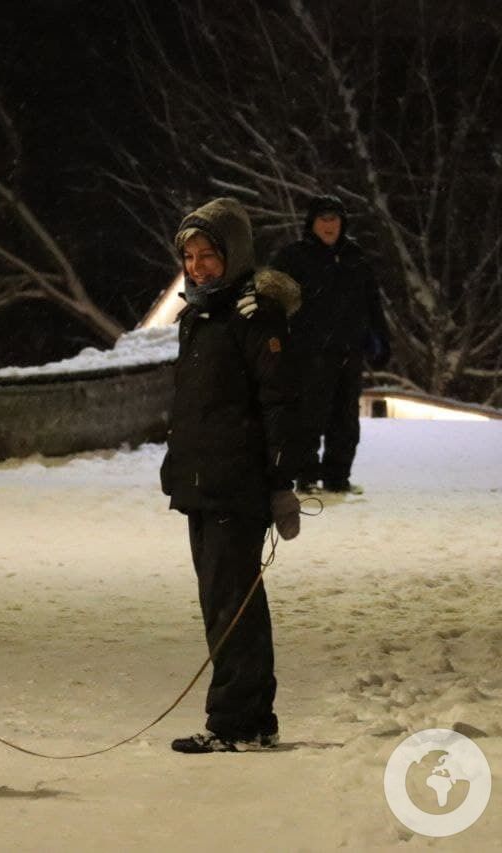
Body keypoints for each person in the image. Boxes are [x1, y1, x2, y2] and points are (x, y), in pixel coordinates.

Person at [159, 197, 302, 753]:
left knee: (231, 605)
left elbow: (280, 405)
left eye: (208, 255)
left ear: (233, 253)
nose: (197, 266)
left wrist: (280, 483)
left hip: (235, 484)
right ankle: (252, 717)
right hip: (202, 482)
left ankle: (236, 722)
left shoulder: (253, 316)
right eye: (189, 257)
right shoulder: (201, 314)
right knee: (227, 602)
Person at [271, 194, 390, 494]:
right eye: (323, 219)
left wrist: (380, 339)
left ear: (342, 223)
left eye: (334, 219)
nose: (329, 225)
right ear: (311, 223)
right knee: (307, 418)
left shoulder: (355, 258)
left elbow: (372, 304)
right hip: (308, 354)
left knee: (346, 421)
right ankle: (307, 477)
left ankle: (338, 477)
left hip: (349, 352)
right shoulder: (292, 258)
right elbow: (269, 303)